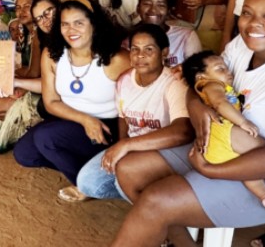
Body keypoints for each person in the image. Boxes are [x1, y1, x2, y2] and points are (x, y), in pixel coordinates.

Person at [111, 0, 265, 246]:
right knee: (128, 170)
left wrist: (210, 170)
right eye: (247, 13)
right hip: (217, 145)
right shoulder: (240, 47)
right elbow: (197, 84)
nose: (254, 24)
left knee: (155, 201)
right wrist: (198, 108)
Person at [13, 0, 130, 199]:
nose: (71, 30)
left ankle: (86, 186)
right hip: (72, 120)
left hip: (105, 129)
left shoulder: (117, 59)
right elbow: (51, 102)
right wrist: (85, 120)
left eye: (78, 23)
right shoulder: (52, 54)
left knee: (46, 138)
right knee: (25, 154)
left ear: (93, 23)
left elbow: (137, 101)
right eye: (65, 24)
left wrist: (123, 143)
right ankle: (91, 168)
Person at [74, 24, 191, 202]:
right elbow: (123, 118)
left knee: (126, 179)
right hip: (134, 148)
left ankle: (157, 205)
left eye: (149, 49)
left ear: (164, 52)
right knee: (87, 182)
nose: (140, 55)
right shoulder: (125, 80)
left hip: (164, 151)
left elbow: (183, 131)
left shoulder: (174, 82)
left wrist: (127, 145)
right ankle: (147, 191)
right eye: (135, 49)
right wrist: (122, 145)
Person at [183, 50, 265, 214]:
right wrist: (243, 122)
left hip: (216, 148)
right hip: (224, 134)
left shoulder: (215, 85)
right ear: (201, 77)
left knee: (248, 167)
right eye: (220, 69)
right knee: (263, 147)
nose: (228, 72)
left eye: (226, 68)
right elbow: (220, 103)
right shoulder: (211, 85)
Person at [0, 0, 44, 121]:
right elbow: (27, 68)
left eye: (27, 6)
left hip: (43, 89)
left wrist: (14, 80)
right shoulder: (28, 34)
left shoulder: (39, 34)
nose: (21, 11)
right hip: (33, 83)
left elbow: (34, 73)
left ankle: (28, 126)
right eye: (18, 7)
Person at [136, 0, 202, 66]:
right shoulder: (128, 41)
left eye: (161, 5)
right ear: (138, 8)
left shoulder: (186, 37)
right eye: (147, 3)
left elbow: (198, 72)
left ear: (169, 10)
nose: (153, 10)